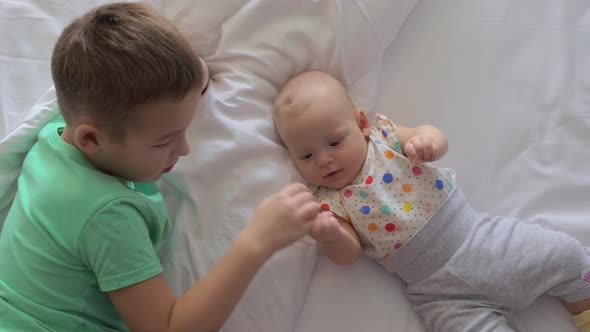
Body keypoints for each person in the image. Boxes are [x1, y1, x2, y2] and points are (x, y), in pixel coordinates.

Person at [0, 3, 330, 332]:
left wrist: (188, 77)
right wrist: (257, 241)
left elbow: (181, 78)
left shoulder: (58, 133)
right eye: (164, 142)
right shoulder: (106, 215)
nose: (184, 149)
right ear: (92, 139)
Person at [273, 70, 590, 331]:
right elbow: (348, 254)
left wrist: (429, 143)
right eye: (307, 155)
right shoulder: (327, 203)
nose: (325, 159)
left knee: (564, 255)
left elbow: (430, 134)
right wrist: (330, 235)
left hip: (480, 241)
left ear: (361, 124)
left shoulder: (385, 140)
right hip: (437, 293)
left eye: (334, 141)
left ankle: (584, 304)